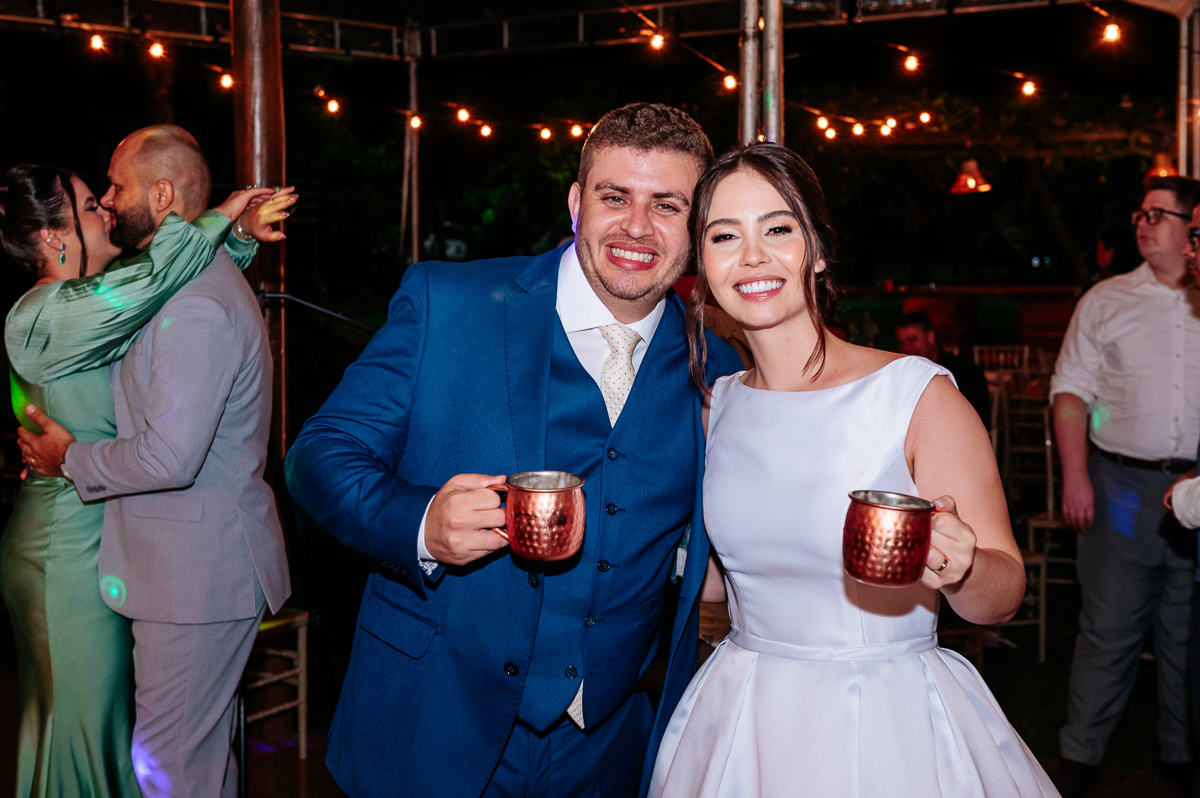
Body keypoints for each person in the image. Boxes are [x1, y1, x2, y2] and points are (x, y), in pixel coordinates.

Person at [284, 102, 741, 798]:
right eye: (614, 197)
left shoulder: (723, 369)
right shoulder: (450, 303)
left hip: (611, 749)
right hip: (429, 727)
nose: (637, 228)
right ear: (575, 203)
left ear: (698, 228)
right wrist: (420, 524)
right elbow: (319, 454)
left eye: (668, 205)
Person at [648, 143, 1056, 797]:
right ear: (703, 265)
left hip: (887, 717)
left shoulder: (917, 397)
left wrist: (963, 566)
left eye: (777, 228)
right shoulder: (716, 408)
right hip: (745, 715)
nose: (752, 256)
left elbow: (1001, 598)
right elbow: (718, 586)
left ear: (817, 248)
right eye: (724, 236)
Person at [16, 125, 293, 798]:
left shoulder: (193, 304)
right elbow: (159, 281)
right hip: (174, 567)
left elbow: (171, 455)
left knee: (169, 773)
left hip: (193, 576)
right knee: (193, 766)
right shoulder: (163, 286)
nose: (109, 200)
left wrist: (70, 456)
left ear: (162, 194)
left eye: (115, 186)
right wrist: (237, 234)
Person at [1050, 175, 1200, 797]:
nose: (1143, 223)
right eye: (1140, 213)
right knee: (1108, 630)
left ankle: (1182, 759)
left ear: (1193, 232)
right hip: (1121, 489)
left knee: (1186, 637)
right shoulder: (1106, 299)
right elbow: (1069, 393)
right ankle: (1079, 761)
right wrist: (1076, 477)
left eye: (1159, 215)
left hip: (1197, 492)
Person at [895, 310, 991, 429]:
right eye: (902, 342)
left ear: (930, 337)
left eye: (913, 340)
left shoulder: (964, 372)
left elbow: (979, 421)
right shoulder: (902, 375)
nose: (907, 348)